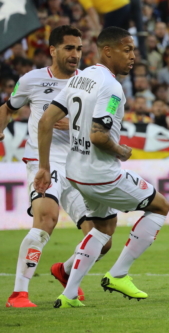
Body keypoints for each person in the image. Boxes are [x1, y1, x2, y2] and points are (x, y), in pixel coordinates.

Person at [34, 27, 169, 308]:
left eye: (133, 49)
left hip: (75, 171)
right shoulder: (112, 87)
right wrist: (121, 151)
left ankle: (68, 294)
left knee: (103, 228)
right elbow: (99, 136)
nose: (134, 56)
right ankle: (119, 274)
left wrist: (44, 167)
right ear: (107, 51)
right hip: (101, 174)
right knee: (160, 206)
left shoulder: (80, 77)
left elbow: (45, 121)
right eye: (128, 49)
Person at [0, 25, 107, 308]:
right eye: (69, 48)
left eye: (79, 49)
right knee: (47, 217)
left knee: (102, 239)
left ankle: (66, 270)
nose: (75, 55)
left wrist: (76, 127)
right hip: (43, 161)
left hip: (79, 164)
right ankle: (19, 294)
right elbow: (7, 108)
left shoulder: (90, 82)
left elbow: (99, 128)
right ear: (53, 50)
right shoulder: (32, 80)